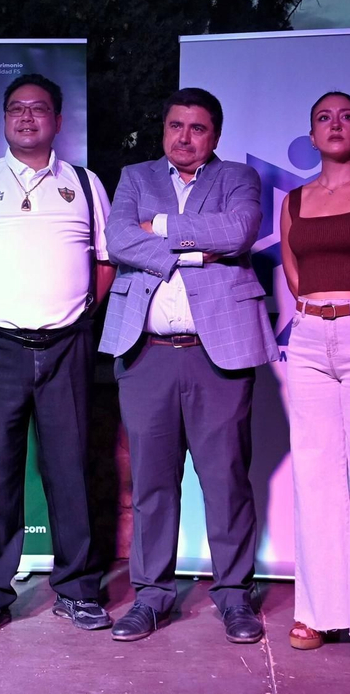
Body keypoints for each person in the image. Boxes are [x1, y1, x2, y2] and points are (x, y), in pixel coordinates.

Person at [0, 73, 116, 638]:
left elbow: (106, 261)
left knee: (70, 470)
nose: (27, 117)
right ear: (5, 119)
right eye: (17, 109)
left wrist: (80, 313)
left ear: (59, 120)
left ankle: (78, 590)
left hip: (67, 345)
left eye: (39, 109)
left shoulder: (86, 184)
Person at [100, 87, 277, 644]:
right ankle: (151, 595)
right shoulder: (134, 177)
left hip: (215, 354)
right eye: (175, 125)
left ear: (215, 135)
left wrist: (160, 229)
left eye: (197, 128)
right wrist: (196, 250)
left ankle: (233, 596)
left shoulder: (239, 179)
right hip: (146, 353)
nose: (184, 136)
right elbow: (118, 239)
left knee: (225, 479)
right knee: (152, 482)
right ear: (163, 129)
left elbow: (239, 231)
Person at [278, 91, 350, 666]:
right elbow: (295, 273)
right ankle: (318, 611)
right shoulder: (295, 201)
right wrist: (320, 319)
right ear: (311, 130)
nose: (335, 124)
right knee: (316, 475)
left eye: (346, 116)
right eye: (323, 116)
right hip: (307, 340)